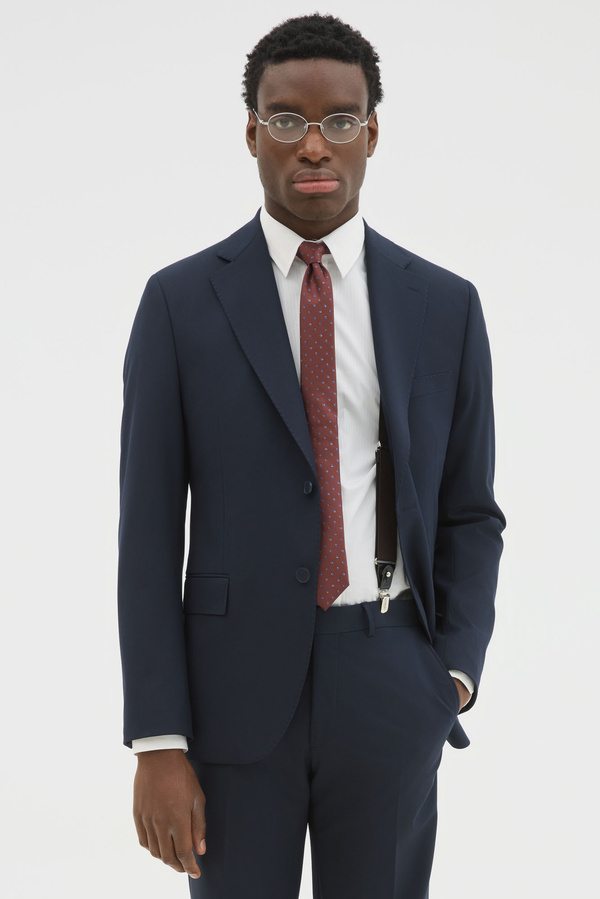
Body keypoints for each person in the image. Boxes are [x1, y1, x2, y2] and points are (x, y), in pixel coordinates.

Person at [118, 13, 505, 899]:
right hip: (230, 695)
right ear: (252, 132)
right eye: (287, 118)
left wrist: (450, 674)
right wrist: (158, 738)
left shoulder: (445, 305)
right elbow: (147, 533)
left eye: (340, 118)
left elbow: (469, 511)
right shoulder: (180, 302)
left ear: (373, 132)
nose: (314, 144)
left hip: (390, 678)